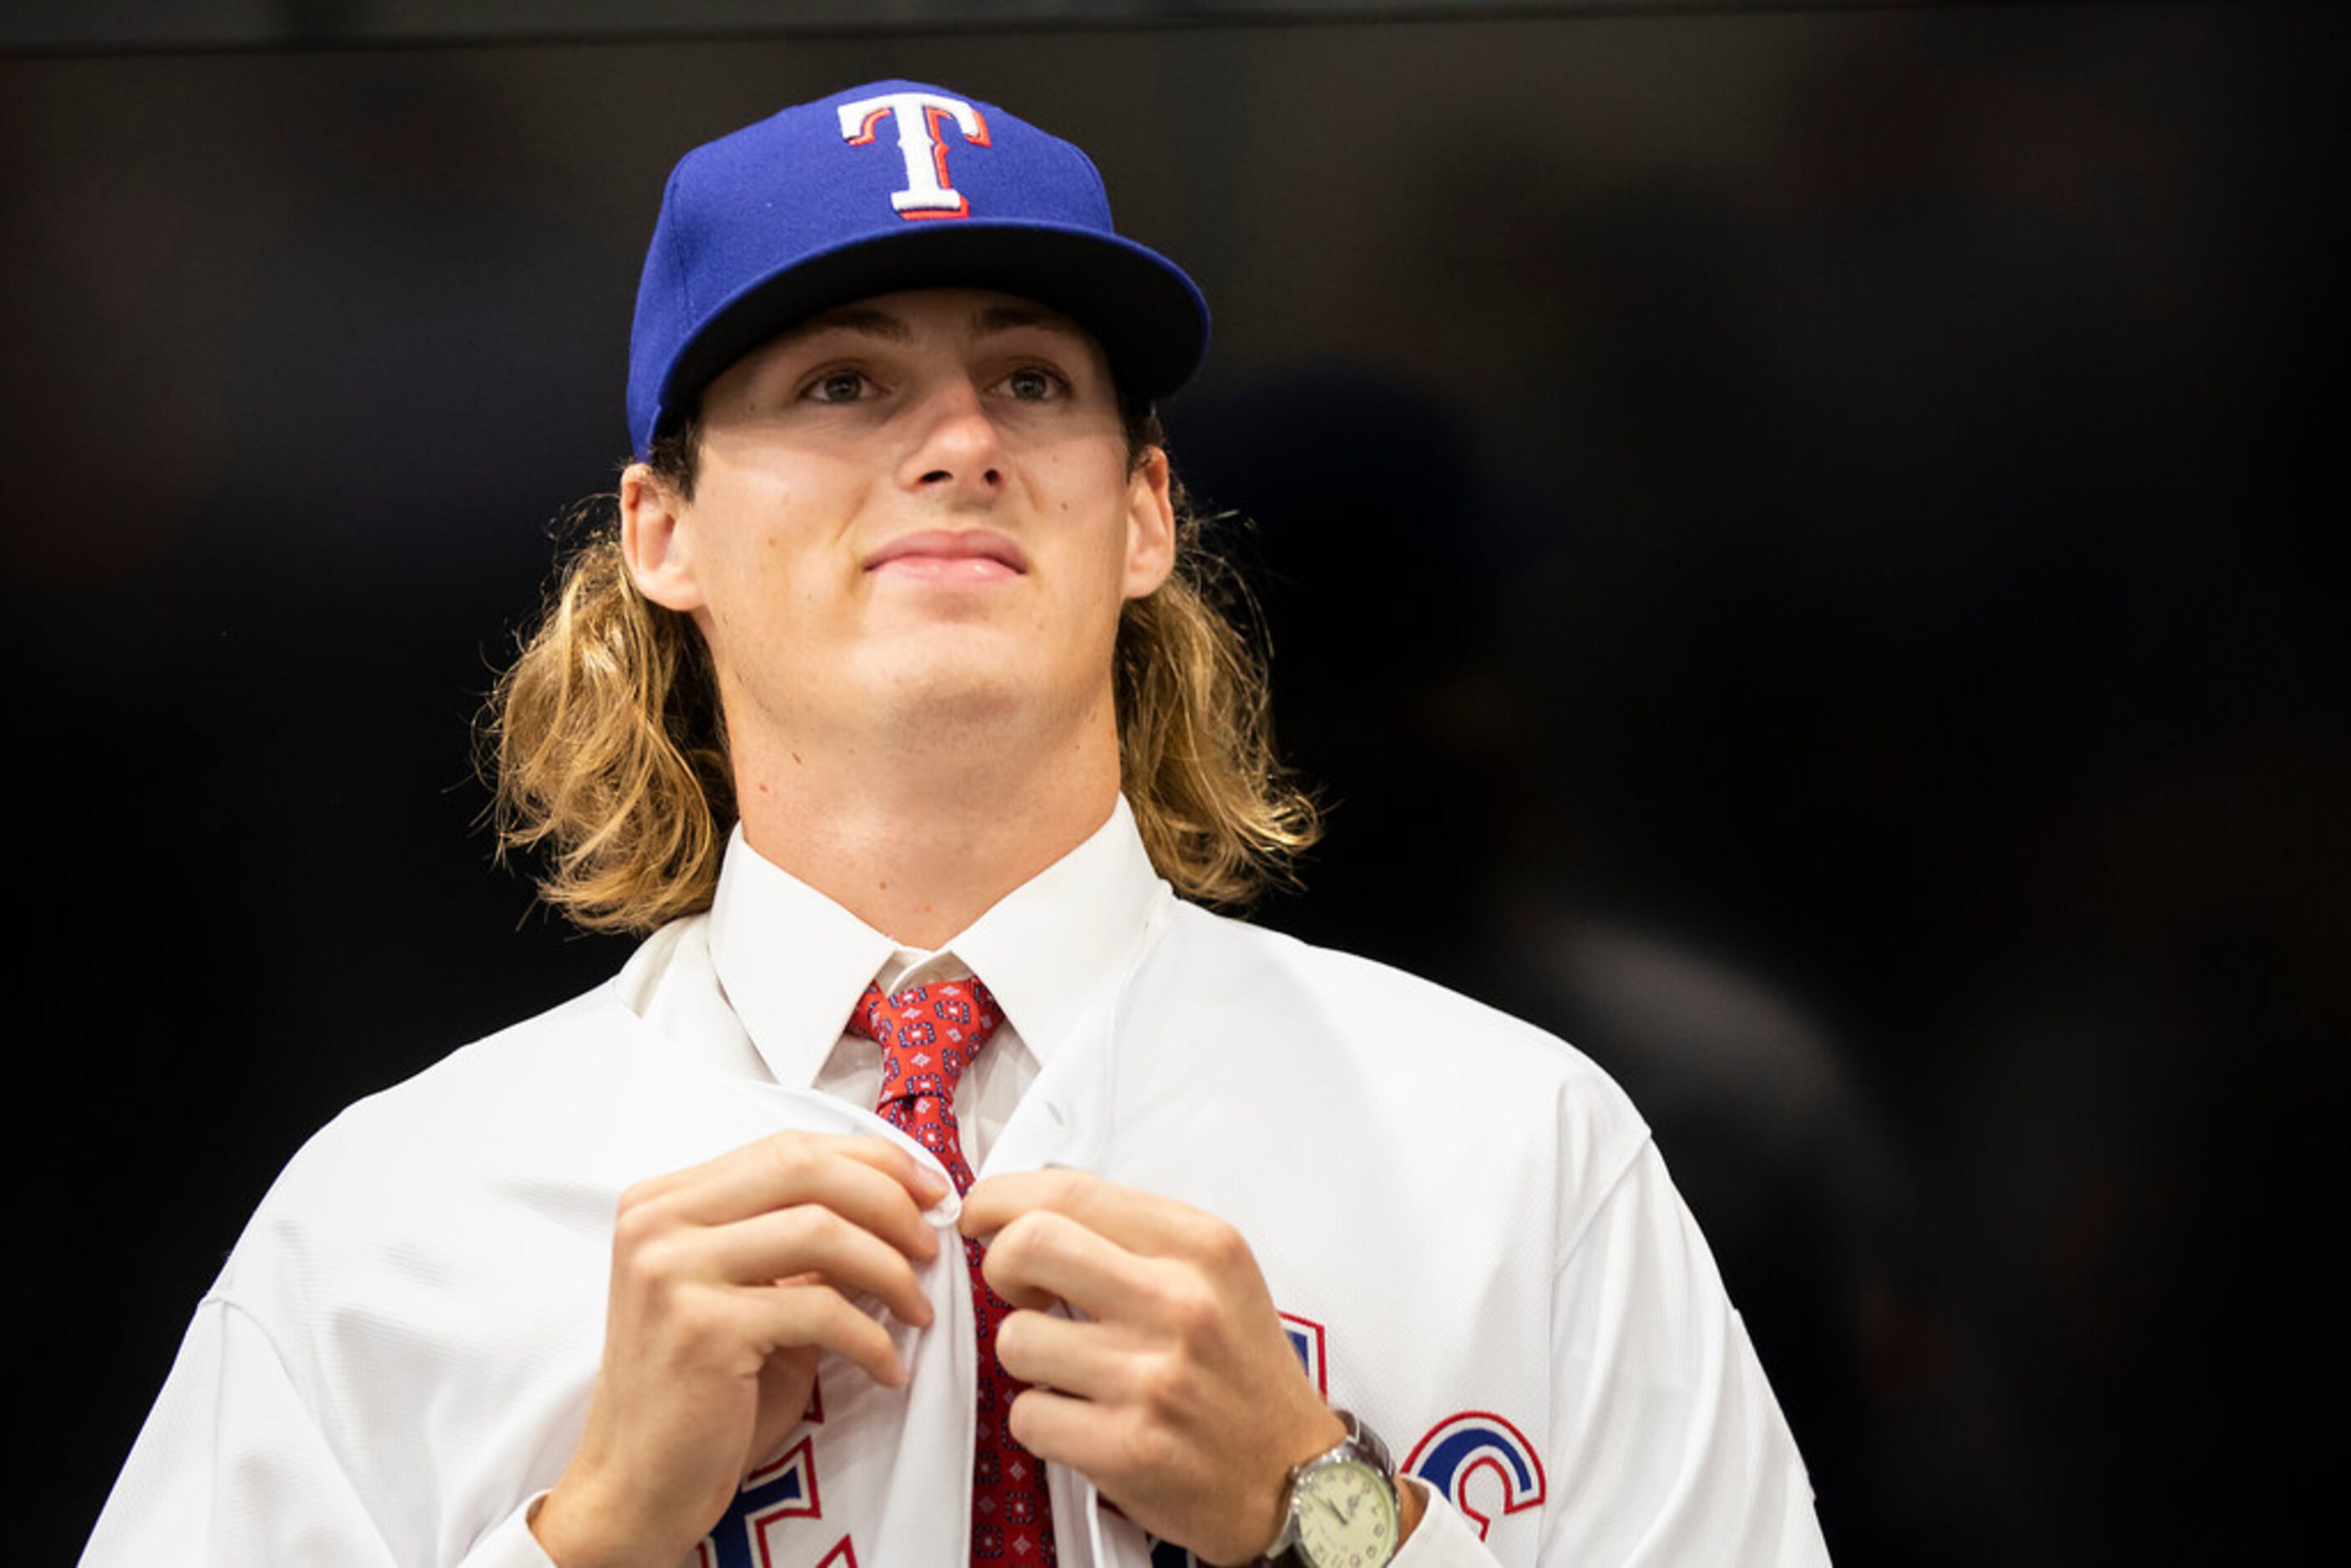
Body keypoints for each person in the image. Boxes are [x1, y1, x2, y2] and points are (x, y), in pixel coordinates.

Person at [84, 80, 1829, 1567]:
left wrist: (1315, 1510)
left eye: (1033, 383)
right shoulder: (393, 1221)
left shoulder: (1517, 1153)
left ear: (1144, 513)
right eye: (839, 382)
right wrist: (593, 1533)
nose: (955, 442)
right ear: (658, 530)